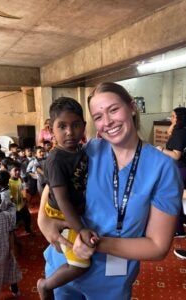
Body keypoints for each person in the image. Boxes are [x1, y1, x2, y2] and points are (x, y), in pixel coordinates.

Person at [37, 82, 183, 300]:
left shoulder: (162, 168)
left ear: (132, 107)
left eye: (113, 109)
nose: (107, 122)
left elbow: (157, 246)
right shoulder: (90, 150)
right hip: (63, 267)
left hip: (111, 280)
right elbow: (54, 187)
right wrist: (43, 220)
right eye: (98, 116)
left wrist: (95, 243)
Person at [37, 97, 99, 300]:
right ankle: (46, 286)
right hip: (62, 214)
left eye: (76, 125)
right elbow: (63, 201)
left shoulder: (79, 151)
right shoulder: (55, 159)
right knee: (80, 263)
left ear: (84, 125)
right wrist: (80, 229)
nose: (70, 132)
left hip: (74, 211)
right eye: (62, 126)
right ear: (50, 128)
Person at [157, 107, 186, 237]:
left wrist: (161, 149)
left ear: (180, 118)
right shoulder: (180, 130)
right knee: (179, 197)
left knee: (175, 198)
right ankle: (183, 221)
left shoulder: (180, 133)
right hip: (181, 168)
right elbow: (169, 133)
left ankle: (178, 230)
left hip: (180, 169)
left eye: (173, 116)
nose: (171, 119)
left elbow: (176, 155)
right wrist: (174, 124)